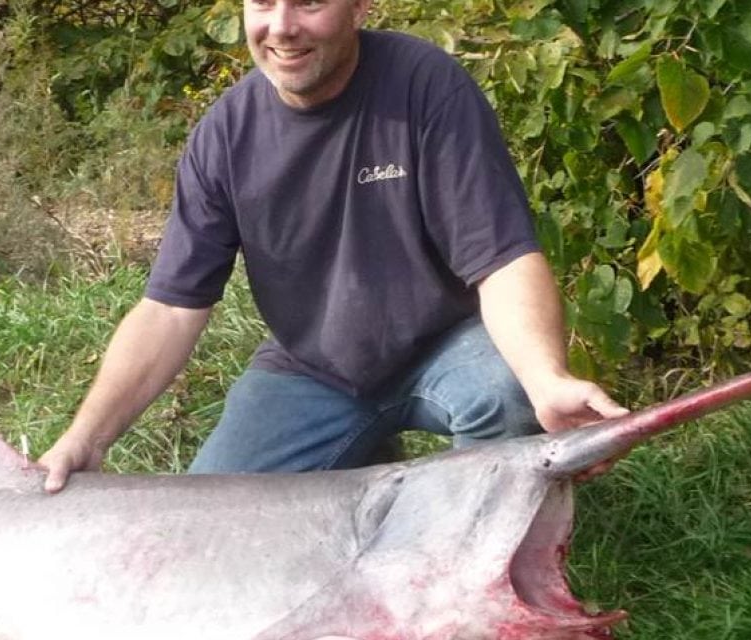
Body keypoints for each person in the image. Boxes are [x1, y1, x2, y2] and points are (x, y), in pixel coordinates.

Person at [39, 0, 628, 492]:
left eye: (311, 1)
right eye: (264, 2)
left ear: (360, 7)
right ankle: (370, 459)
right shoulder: (223, 135)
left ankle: (479, 562)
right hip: (312, 369)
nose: (282, 26)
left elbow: (502, 259)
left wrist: (545, 377)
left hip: (449, 348)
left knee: (506, 394)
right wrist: (85, 437)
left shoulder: (425, 85)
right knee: (219, 514)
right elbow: (169, 308)